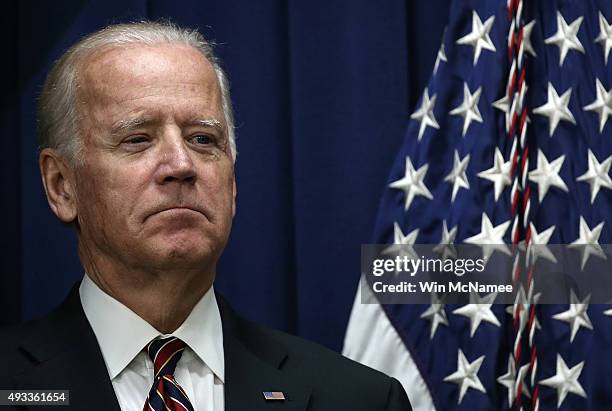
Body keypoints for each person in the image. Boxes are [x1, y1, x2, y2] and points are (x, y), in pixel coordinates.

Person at [0, 21, 411, 410]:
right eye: (137, 139)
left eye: (203, 139)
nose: (181, 164)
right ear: (61, 185)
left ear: (232, 183)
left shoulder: (360, 399)